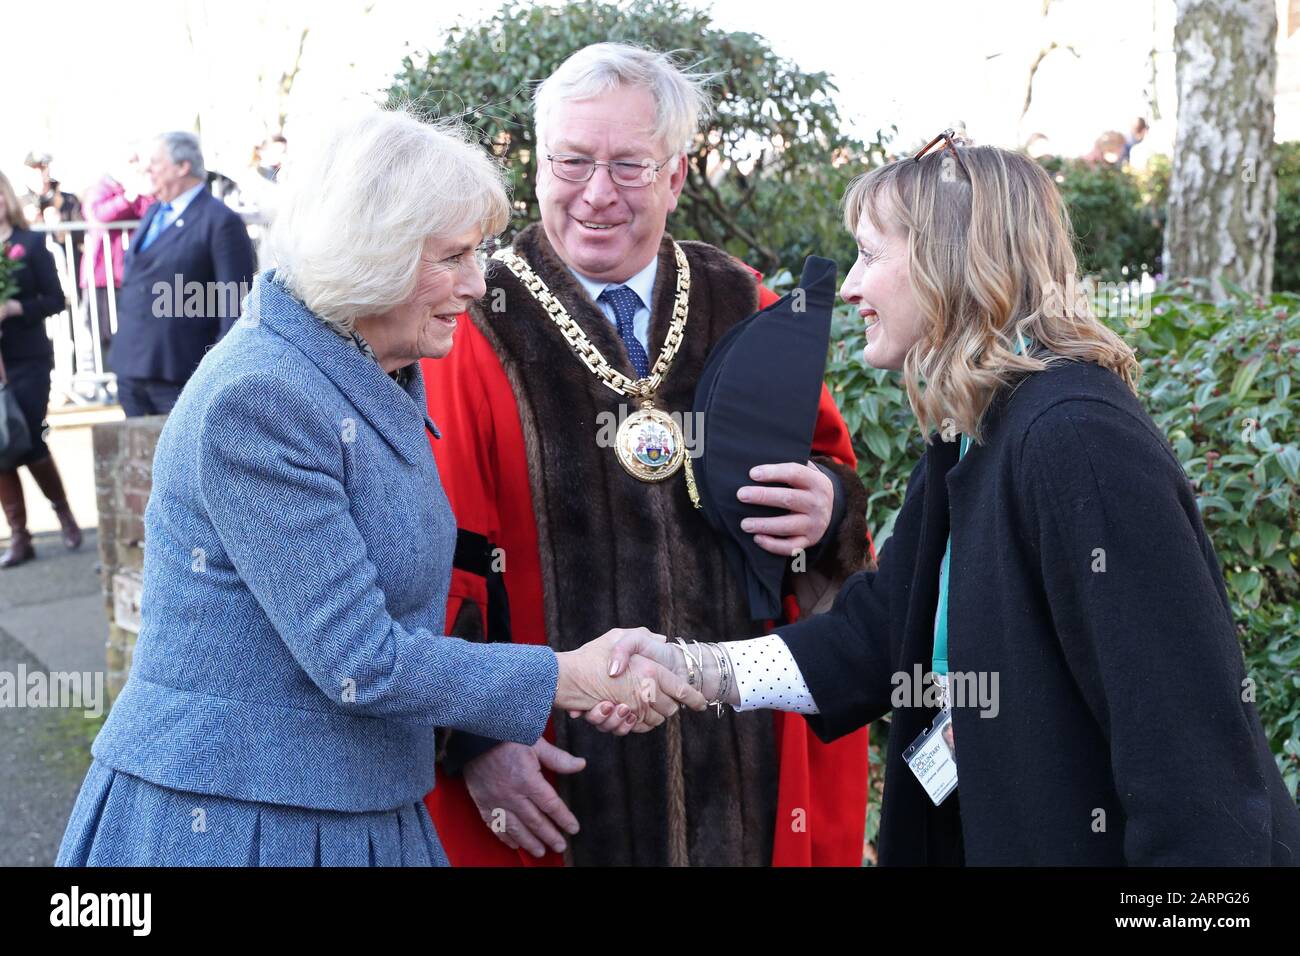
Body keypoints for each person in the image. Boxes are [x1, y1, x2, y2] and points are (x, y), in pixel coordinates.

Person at [607, 134, 1300, 865]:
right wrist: (692, 669)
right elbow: (879, 632)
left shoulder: (1077, 440)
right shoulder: (973, 430)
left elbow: (1187, 755)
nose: (849, 287)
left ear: (949, 263)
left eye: (871, 255)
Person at [55, 107, 703, 868]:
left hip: (345, 803)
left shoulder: (359, 365)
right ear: (372, 256)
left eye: (480, 251)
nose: (477, 281)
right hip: (244, 820)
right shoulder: (262, 399)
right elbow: (362, 660)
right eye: (454, 256)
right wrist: (569, 676)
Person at [420, 42, 873, 867]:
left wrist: (827, 508)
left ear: (676, 175)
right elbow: (437, 555)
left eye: (629, 166)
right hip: (552, 762)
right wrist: (479, 739)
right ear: (537, 163)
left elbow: (830, 478)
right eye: (572, 161)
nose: (597, 194)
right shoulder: (472, 320)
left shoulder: (745, 302)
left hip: (742, 749)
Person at [108, 132, 257, 417]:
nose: (147, 169)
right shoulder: (154, 213)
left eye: (155, 162)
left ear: (182, 166)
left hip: (179, 371)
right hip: (133, 365)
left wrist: (218, 370)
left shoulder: (220, 221)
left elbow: (234, 303)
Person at [0, 170, 79, 568]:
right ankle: (19, 536)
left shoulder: (29, 244)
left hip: (28, 357)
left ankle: (63, 514)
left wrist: (18, 308)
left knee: (31, 437)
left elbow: (55, 299)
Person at [78, 155, 153, 389]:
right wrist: (129, 196)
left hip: (134, 277)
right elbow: (100, 214)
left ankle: (130, 382)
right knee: (105, 332)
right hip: (102, 277)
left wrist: (141, 192)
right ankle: (112, 382)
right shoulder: (101, 188)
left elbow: (151, 212)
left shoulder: (144, 189)